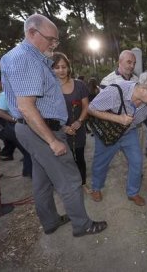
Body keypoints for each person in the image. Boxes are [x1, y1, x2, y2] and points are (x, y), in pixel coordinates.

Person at [0, 14, 107, 237]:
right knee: (69, 179)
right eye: (51, 39)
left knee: (42, 181)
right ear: (31, 33)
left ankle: (50, 222)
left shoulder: (26, 57)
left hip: (33, 129)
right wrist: (52, 140)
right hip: (40, 130)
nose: (54, 45)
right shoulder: (25, 58)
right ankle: (82, 225)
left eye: (56, 41)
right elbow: (27, 107)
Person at [88, 70, 147, 206]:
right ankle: (96, 188)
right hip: (108, 133)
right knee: (101, 163)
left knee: (137, 161)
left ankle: (133, 192)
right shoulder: (116, 91)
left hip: (129, 133)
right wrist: (118, 118)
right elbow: (91, 108)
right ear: (143, 89)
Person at [52, 52, 90, 192]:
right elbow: (48, 113)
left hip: (78, 129)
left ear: (69, 68)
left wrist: (80, 121)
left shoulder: (79, 85)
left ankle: (83, 183)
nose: (61, 70)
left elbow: (86, 106)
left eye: (64, 66)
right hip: (58, 131)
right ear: (51, 69)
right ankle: (67, 186)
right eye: (56, 67)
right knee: (62, 160)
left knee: (79, 157)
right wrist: (63, 127)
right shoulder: (49, 88)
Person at [0, 91, 33, 177]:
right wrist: (15, 119)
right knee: (28, 150)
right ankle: (30, 173)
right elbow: (0, 112)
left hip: (25, 124)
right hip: (14, 126)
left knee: (28, 151)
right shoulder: (5, 94)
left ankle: (28, 171)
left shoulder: (24, 90)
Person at [0, 76, 17, 161]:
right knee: (7, 136)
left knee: (8, 136)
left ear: (2, 82)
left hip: (7, 118)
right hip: (0, 119)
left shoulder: (5, 93)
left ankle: (7, 152)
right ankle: (7, 152)